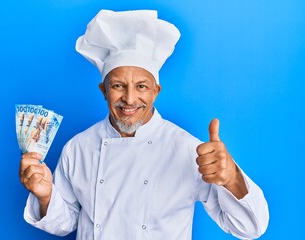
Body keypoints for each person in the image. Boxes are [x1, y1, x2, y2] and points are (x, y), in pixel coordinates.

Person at [19, 9, 269, 239]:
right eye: (118, 86)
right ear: (103, 90)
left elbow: (250, 228)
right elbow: (65, 223)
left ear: (155, 91)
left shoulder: (188, 150)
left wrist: (232, 178)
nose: (129, 99)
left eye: (141, 86)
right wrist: (46, 196)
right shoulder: (78, 148)